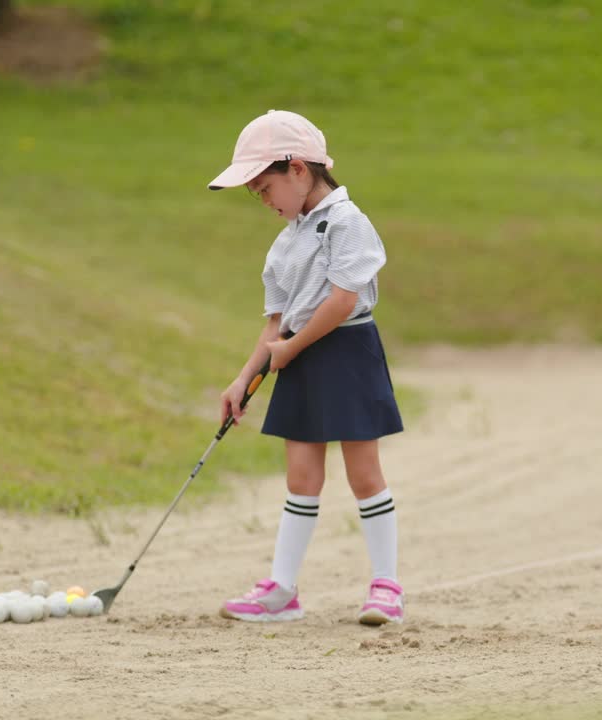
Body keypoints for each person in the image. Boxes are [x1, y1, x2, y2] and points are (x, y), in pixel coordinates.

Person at [207, 110, 405, 625]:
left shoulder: (347, 222)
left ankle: (386, 587)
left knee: (363, 473)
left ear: (298, 169)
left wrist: (289, 351)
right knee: (301, 476)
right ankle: (282, 590)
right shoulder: (286, 239)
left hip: (346, 352)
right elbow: (275, 324)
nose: (263, 201)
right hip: (297, 354)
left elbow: (343, 300)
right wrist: (243, 379)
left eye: (264, 187)